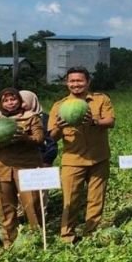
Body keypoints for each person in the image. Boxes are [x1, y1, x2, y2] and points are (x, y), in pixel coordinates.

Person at [49, 66, 115, 243]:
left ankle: (91, 233)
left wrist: (95, 122)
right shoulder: (59, 106)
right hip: (73, 160)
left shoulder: (101, 99)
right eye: (72, 81)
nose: (75, 84)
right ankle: (67, 236)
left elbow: (110, 121)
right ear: (67, 83)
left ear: (88, 82)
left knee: (96, 199)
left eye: (79, 80)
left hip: (99, 157)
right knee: (70, 200)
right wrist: (59, 127)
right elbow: (52, 137)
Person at [0, 88, 44, 247]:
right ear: (1, 104)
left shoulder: (31, 117)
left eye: (13, 99)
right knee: (5, 206)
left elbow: (39, 139)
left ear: (20, 101)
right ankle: (9, 241)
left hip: (27, 167)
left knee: (32, 205)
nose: (10, 103)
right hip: (2, 168)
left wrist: (25, 138)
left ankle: (37, 240)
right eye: (6, 100)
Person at [19, 90, 57, 167]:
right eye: (18, 102)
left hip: (40, 161)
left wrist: (47, 161)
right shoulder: (15, 118)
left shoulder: (44, 119)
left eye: (23, 102)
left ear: (31, 101)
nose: (20, 105)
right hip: (21, 161)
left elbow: (50, 142)